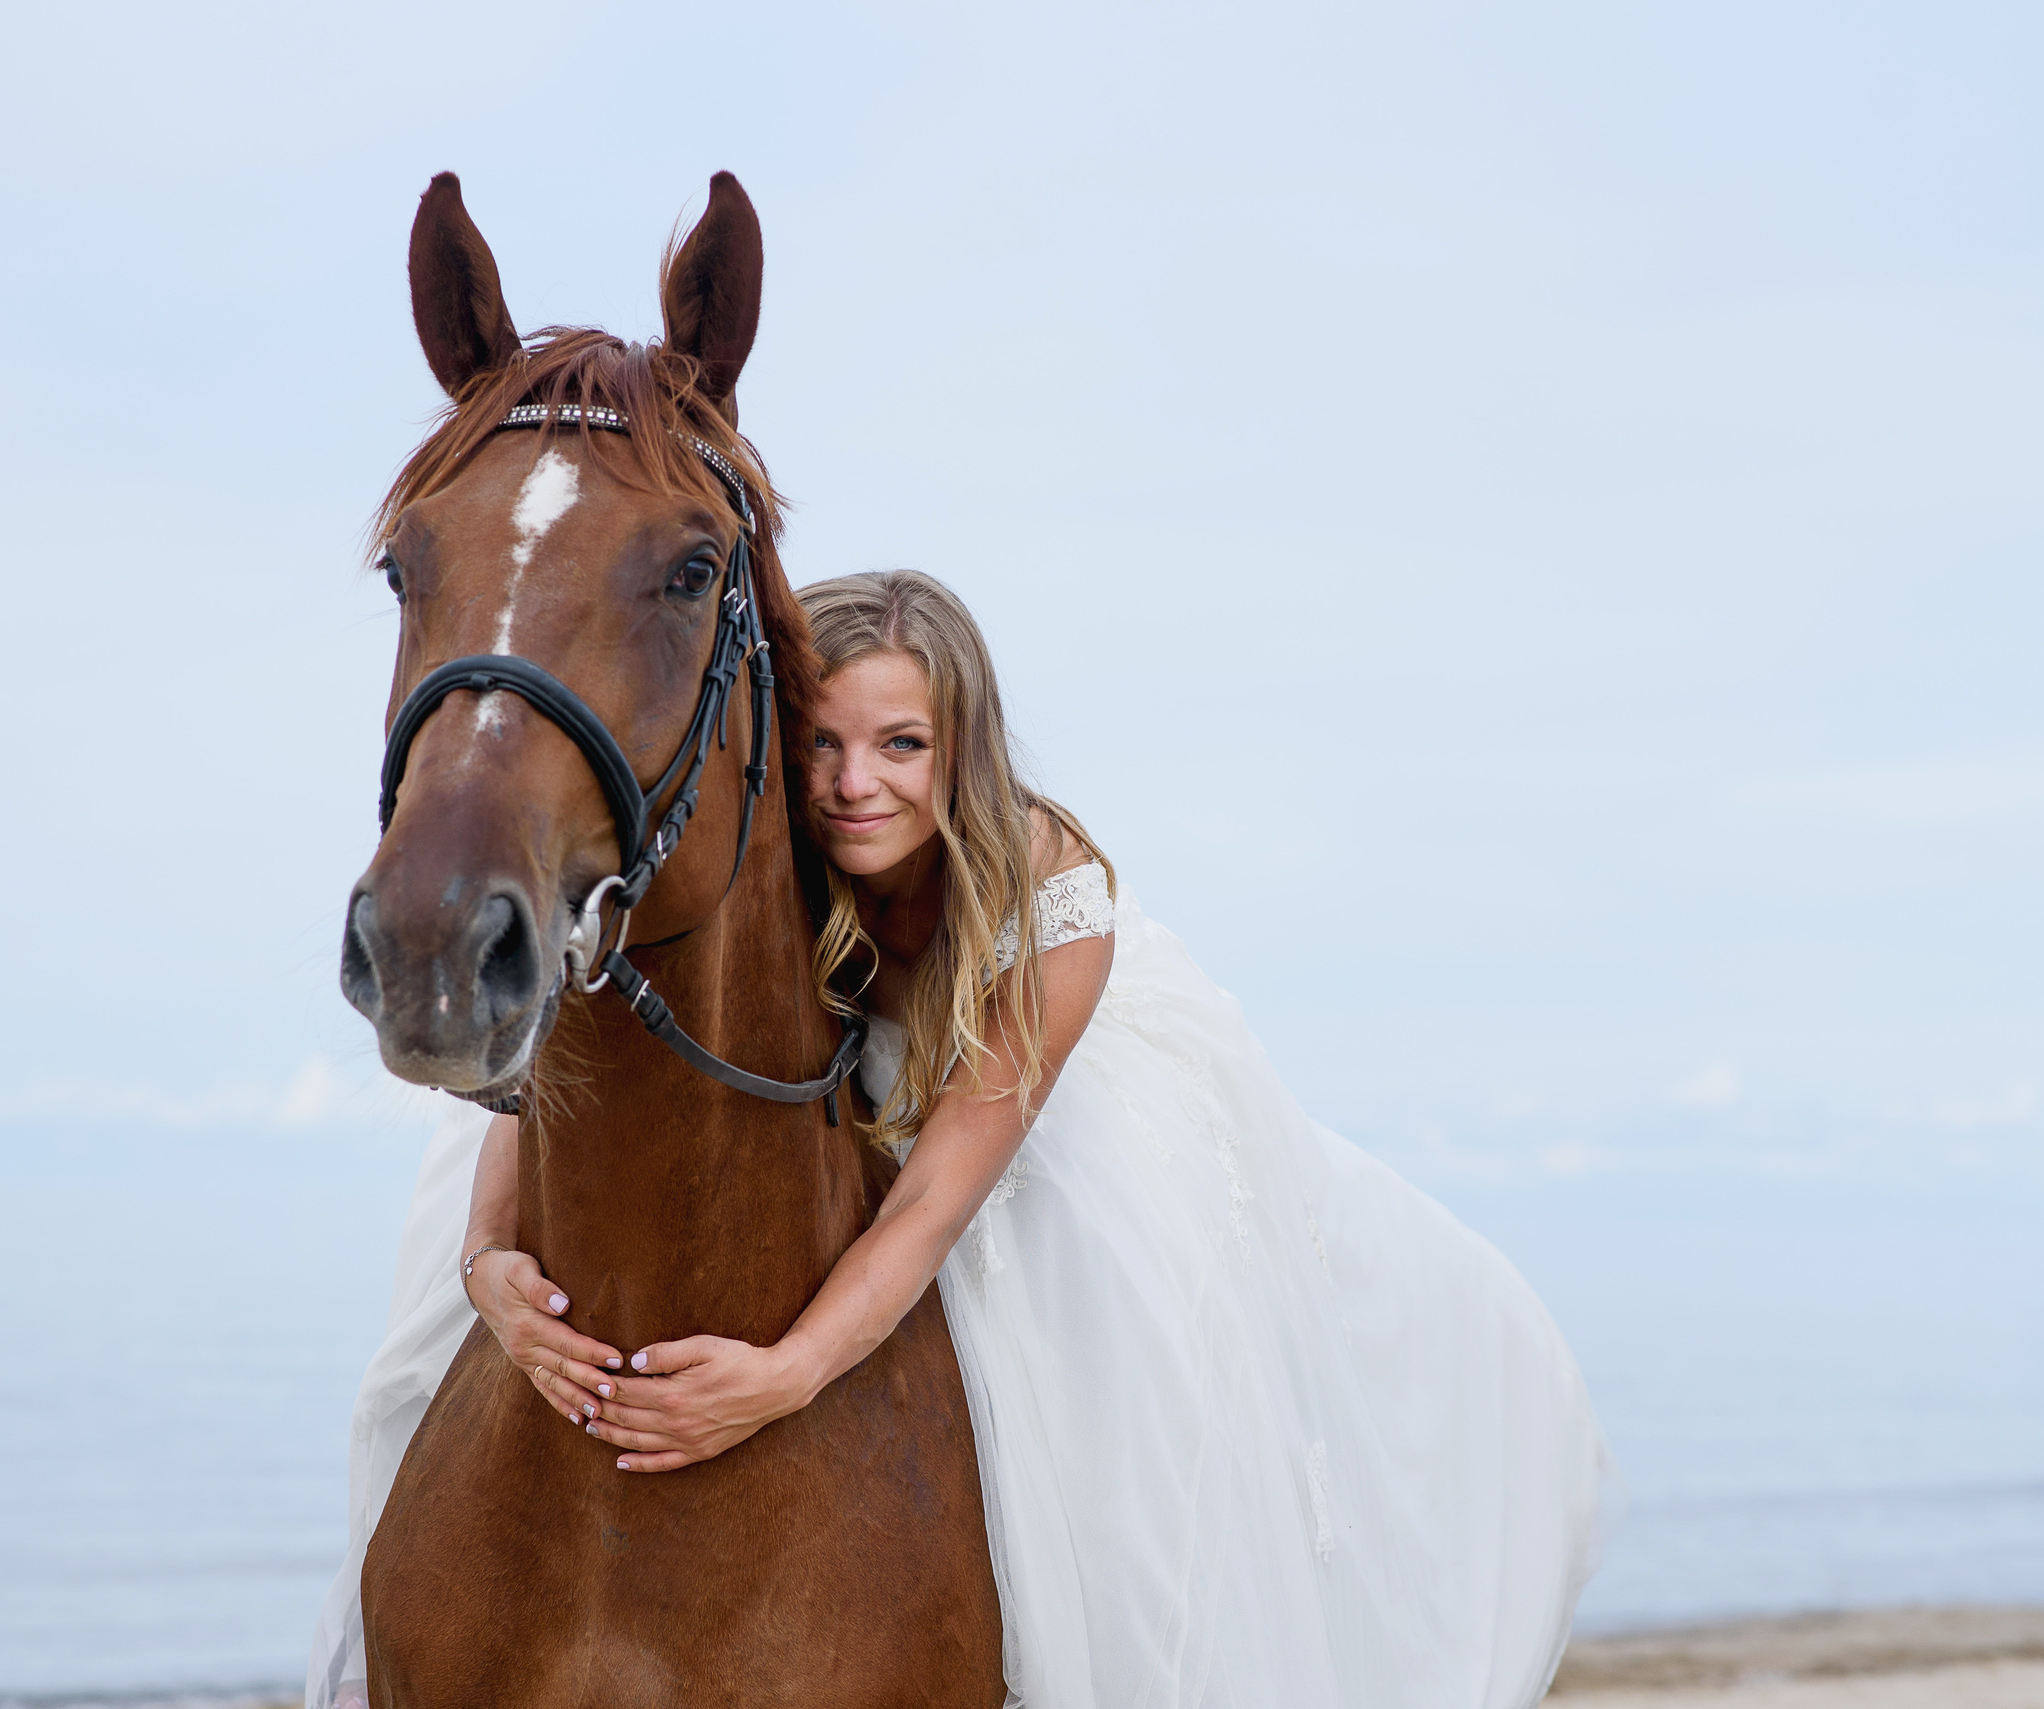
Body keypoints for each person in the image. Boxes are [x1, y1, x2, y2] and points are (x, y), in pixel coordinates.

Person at [310, 570, 1614, 1708]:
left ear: (959, 747)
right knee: (424, 1326)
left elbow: (936, 1198)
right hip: (802, 1067)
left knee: (1105, 1363)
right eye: (822, 742)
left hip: (1002, 1092)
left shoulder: (1051, 887)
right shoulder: (770, 838)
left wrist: (785, 1373)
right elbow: (567, 1061)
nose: (854, 783)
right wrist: (489, 1259)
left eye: (901, 743)